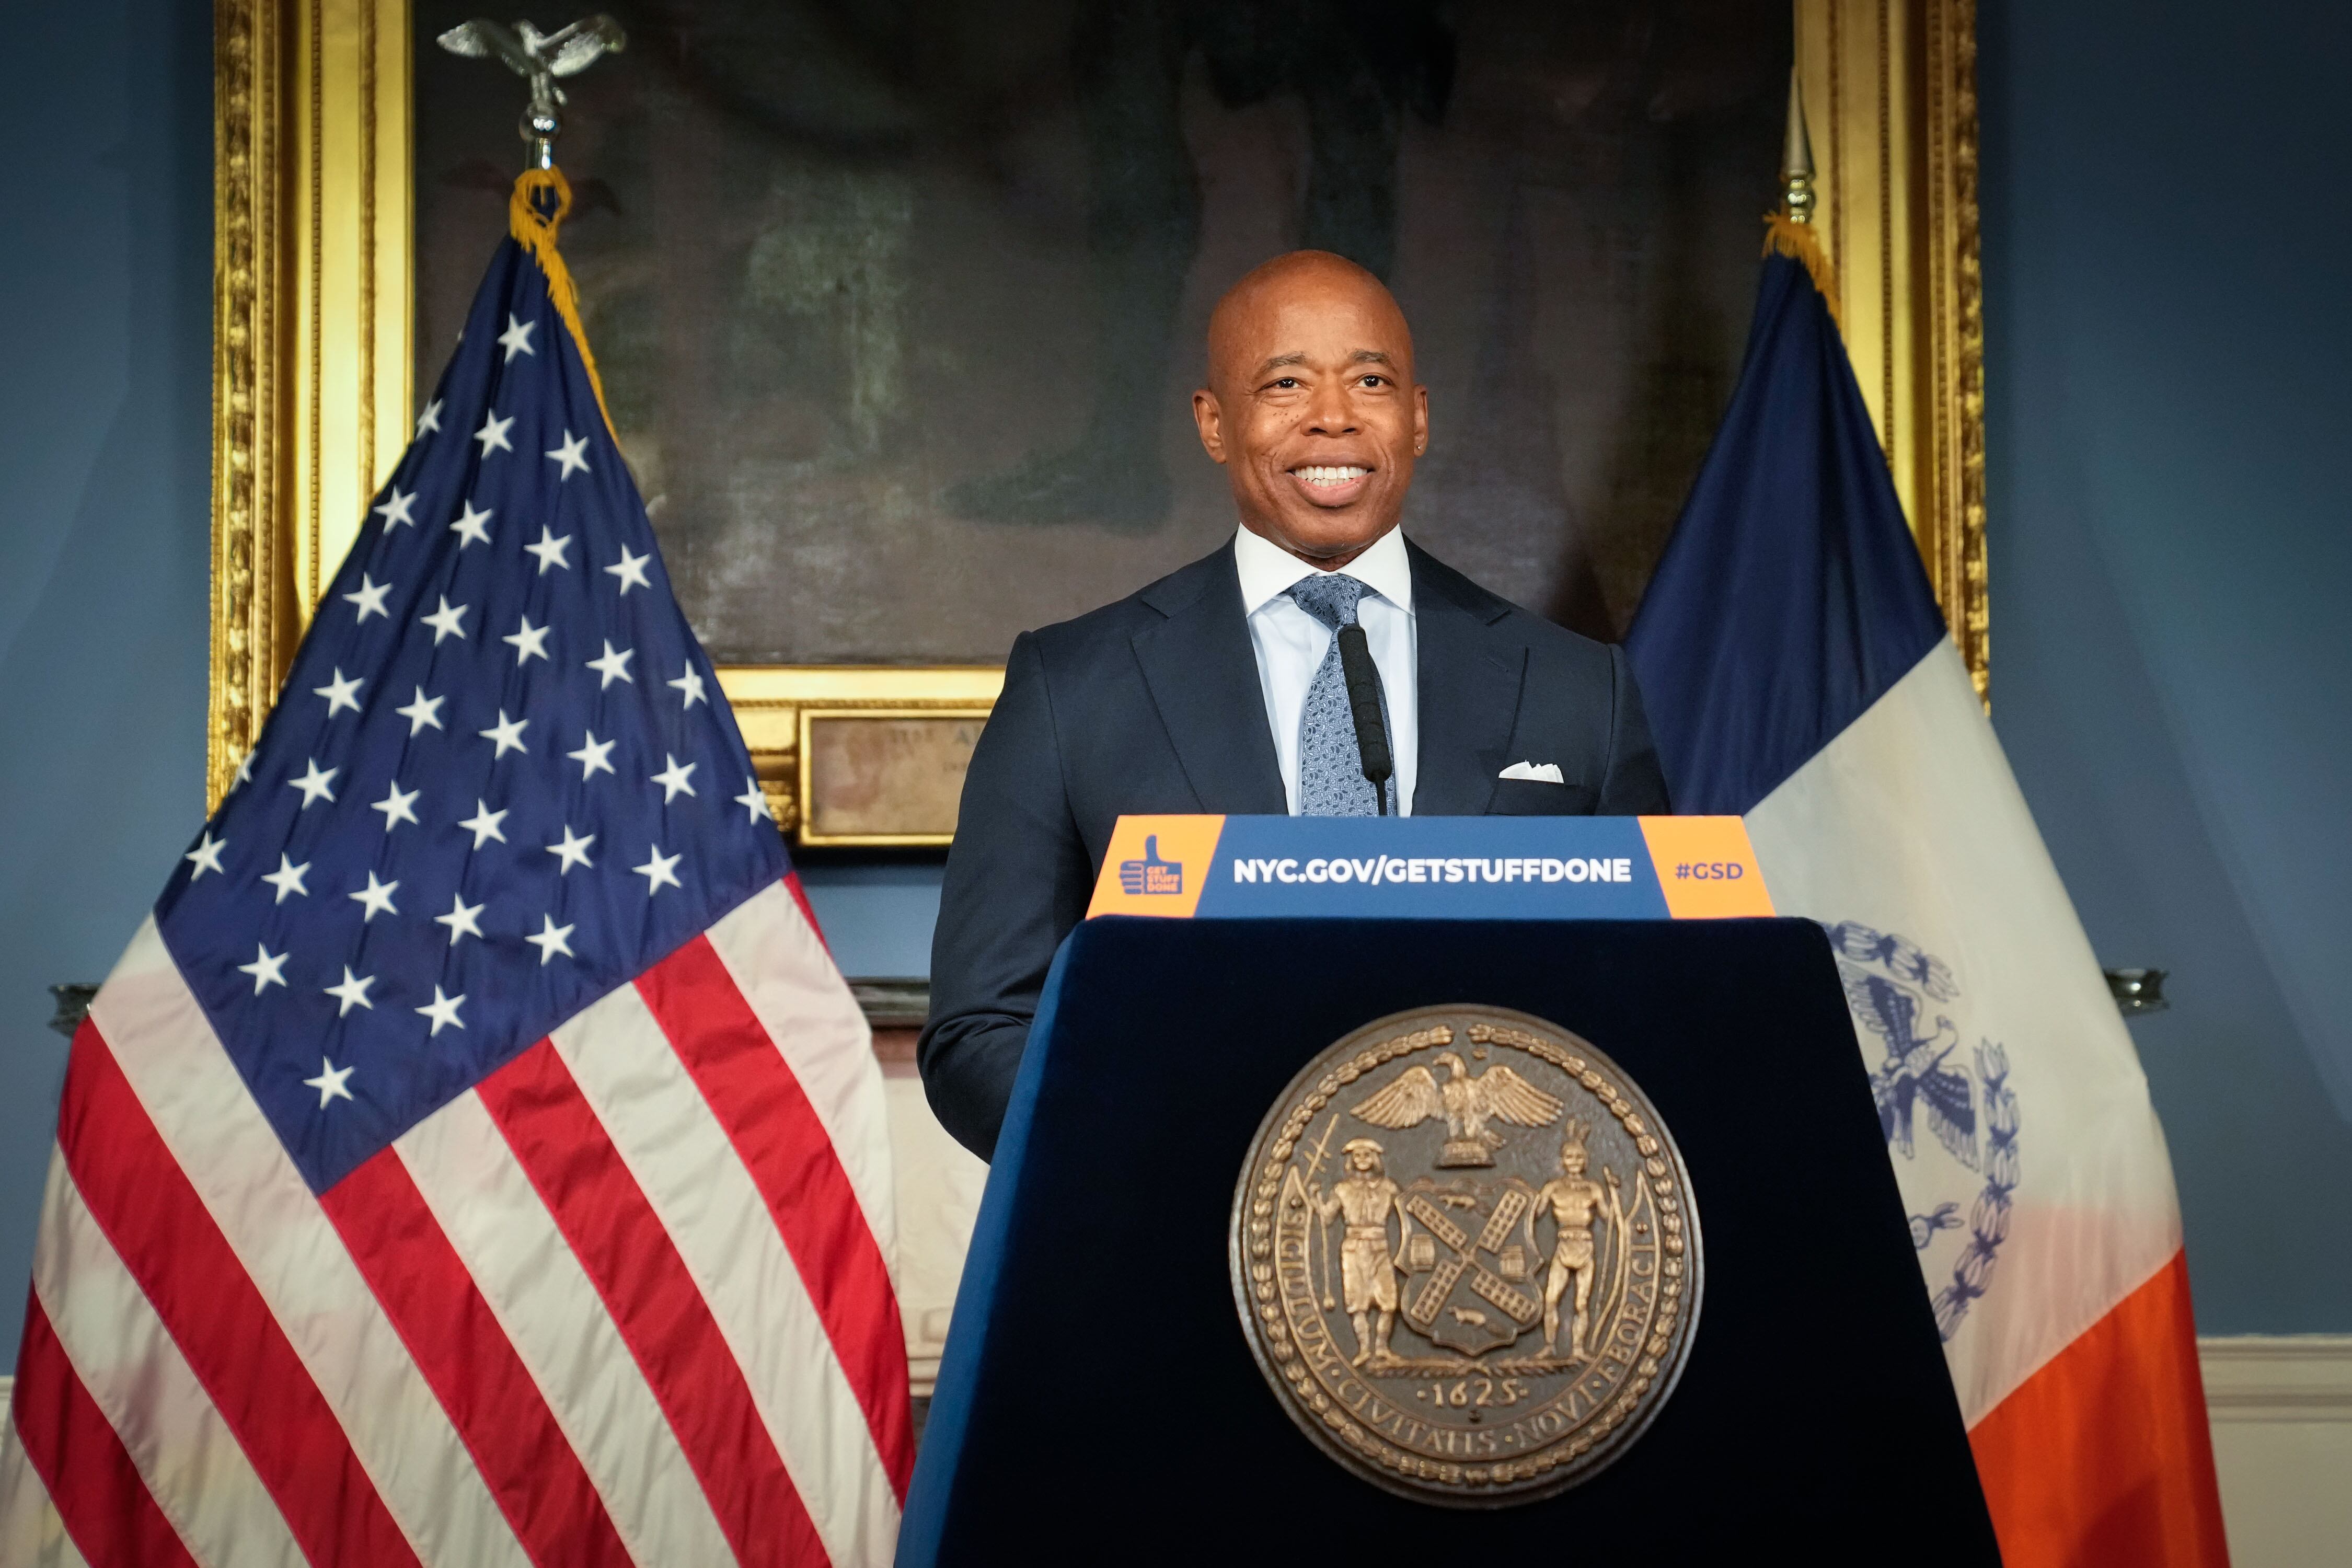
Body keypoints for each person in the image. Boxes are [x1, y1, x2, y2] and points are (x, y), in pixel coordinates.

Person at [920, 250, 1670, 1158]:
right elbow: (981, 1032)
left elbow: (1654, 1000)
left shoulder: (1580, 688)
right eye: (1285, 383)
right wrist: (1161, 1161)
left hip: (1494, 1241)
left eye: (1371, 380)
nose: (1333, 418)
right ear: (1213, 422)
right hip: (1179, 1244)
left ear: (1419, 417)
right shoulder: (1071, 687)